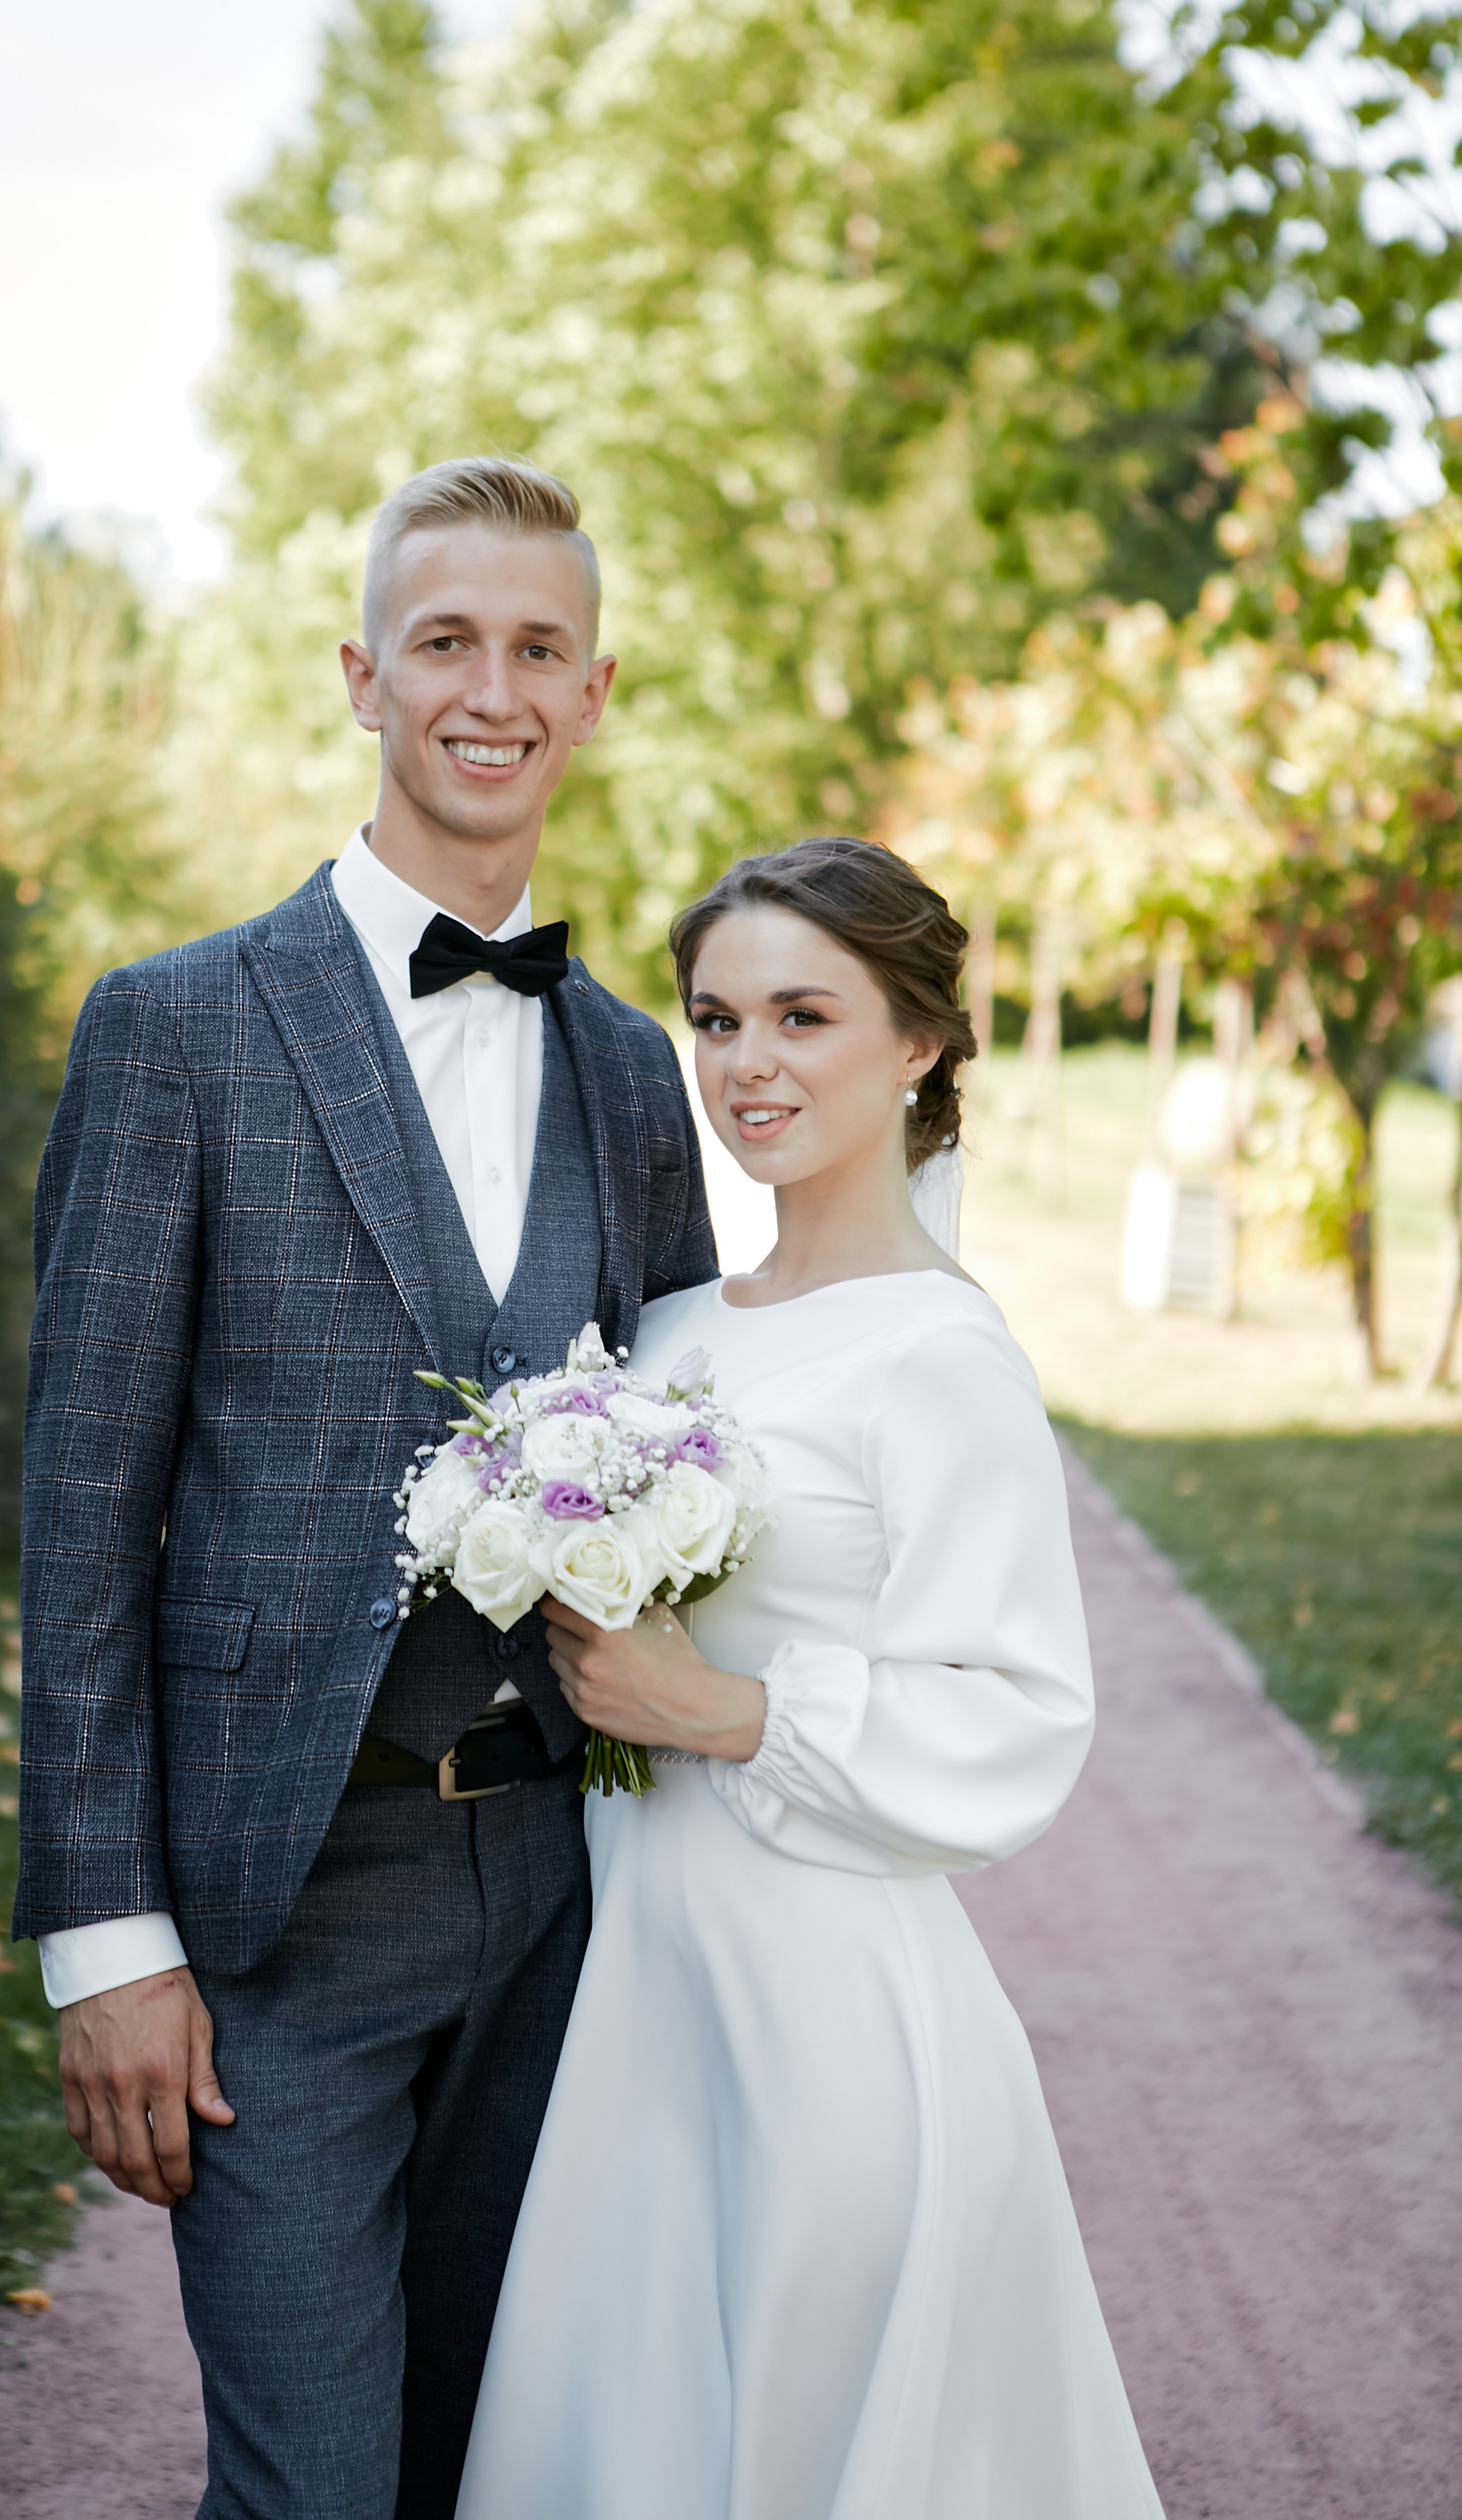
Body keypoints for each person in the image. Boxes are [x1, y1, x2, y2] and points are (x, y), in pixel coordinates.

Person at [9, 457, 718, 2520]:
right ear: (361, 678)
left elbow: (689, 1448)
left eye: (538, 648)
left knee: (500, 2466)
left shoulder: (628, 1067)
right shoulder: (176, 1033)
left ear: (592, 693)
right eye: (445, 643)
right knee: (312, 2489)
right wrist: (103, 1942)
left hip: (569, 1911)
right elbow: (81, 1523)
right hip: (275, 1912)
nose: (490, 690)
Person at [457, 838, 1166, 2520]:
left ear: (915, 1043)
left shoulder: (941, 1353)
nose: (746, 1064)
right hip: (637, 1979)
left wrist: (723, 1710)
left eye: (801, 1015)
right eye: (714, 1018)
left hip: (821, 2003)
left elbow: (1018, 1711)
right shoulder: (676, 1327)